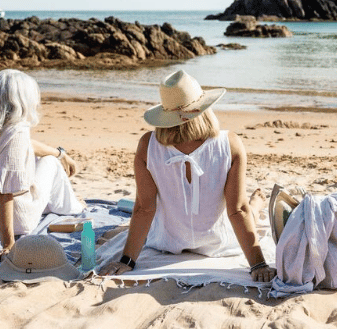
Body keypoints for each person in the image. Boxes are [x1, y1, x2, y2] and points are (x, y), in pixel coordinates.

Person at [100, 70, 276, 283]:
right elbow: (237, 210)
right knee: (246, 211)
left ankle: (255, 205)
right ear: (204, 108)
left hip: (167, 242)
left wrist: (127, 261)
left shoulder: (148, 145)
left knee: (246, 211)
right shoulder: (230, 144)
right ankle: (255, 205)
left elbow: (144, 209)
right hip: (219, 243)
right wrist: (258, 265)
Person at [0, 69, 84, 261]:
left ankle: (63, 201)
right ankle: (72, 207)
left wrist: (61, 154)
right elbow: (3, 193)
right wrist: (8, 244)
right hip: (13, 223)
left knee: (45, 158)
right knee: (50, 163)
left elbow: (28, 146)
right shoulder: (16, 133)